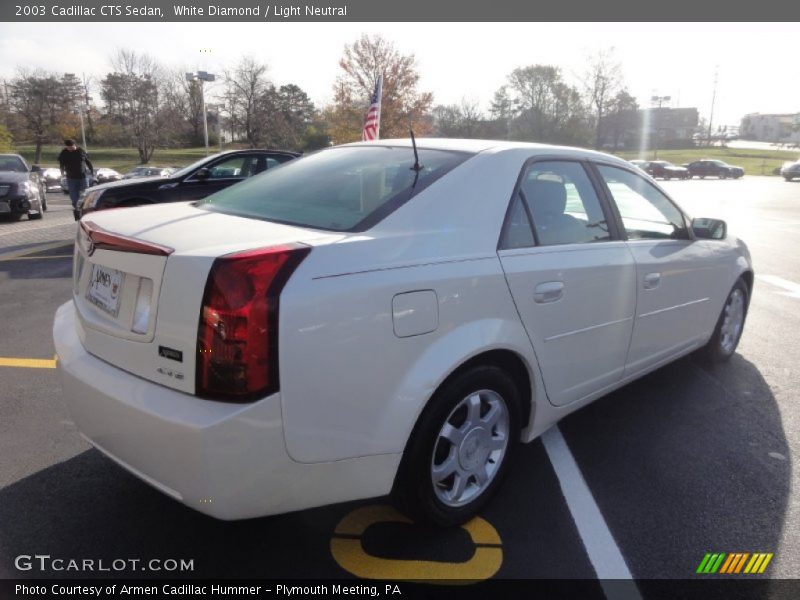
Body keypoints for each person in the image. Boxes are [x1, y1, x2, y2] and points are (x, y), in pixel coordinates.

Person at [58, 139, 94, 221]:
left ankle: (87, 209)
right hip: (71, 178)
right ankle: (78, 211)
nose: (70, 149)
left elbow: (87, 162)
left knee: (86, 193)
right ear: (66, 147)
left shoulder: (80, 151)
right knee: (74, 197)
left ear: (75, 145)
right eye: (68, 147)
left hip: (82, 177)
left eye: (72, 147)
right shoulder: (64, 153)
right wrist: (62, 172)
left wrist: (91, 171)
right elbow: (61, 164)